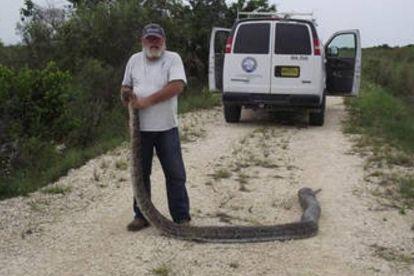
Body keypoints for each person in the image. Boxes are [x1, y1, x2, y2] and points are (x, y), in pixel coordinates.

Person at [120, 23, 191, 231]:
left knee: (175, 173)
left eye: (157, 39)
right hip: (140, 130)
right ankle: (141, 215)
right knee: (140, 173)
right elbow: (125, 86)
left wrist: (146, 102)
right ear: (143, 41)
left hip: (166, 127)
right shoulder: (134, 60)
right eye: (149, 39)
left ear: (163, 41)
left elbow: (177, 86)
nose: (153, 43)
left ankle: (181, 217)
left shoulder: (173, 58)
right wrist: (126, 95)